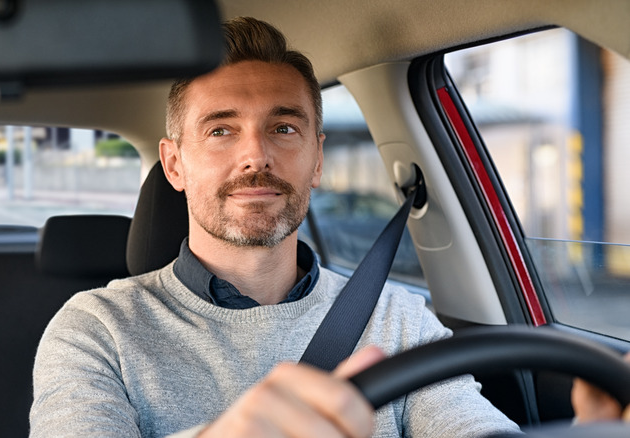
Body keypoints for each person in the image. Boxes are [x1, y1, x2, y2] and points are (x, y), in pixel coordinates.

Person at [29, 17, 524, 437]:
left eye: (283, 128)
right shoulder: (97, 329)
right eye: (221, 130)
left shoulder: (399, 319)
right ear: (175, 165)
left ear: (316, 159)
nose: (255, 157)